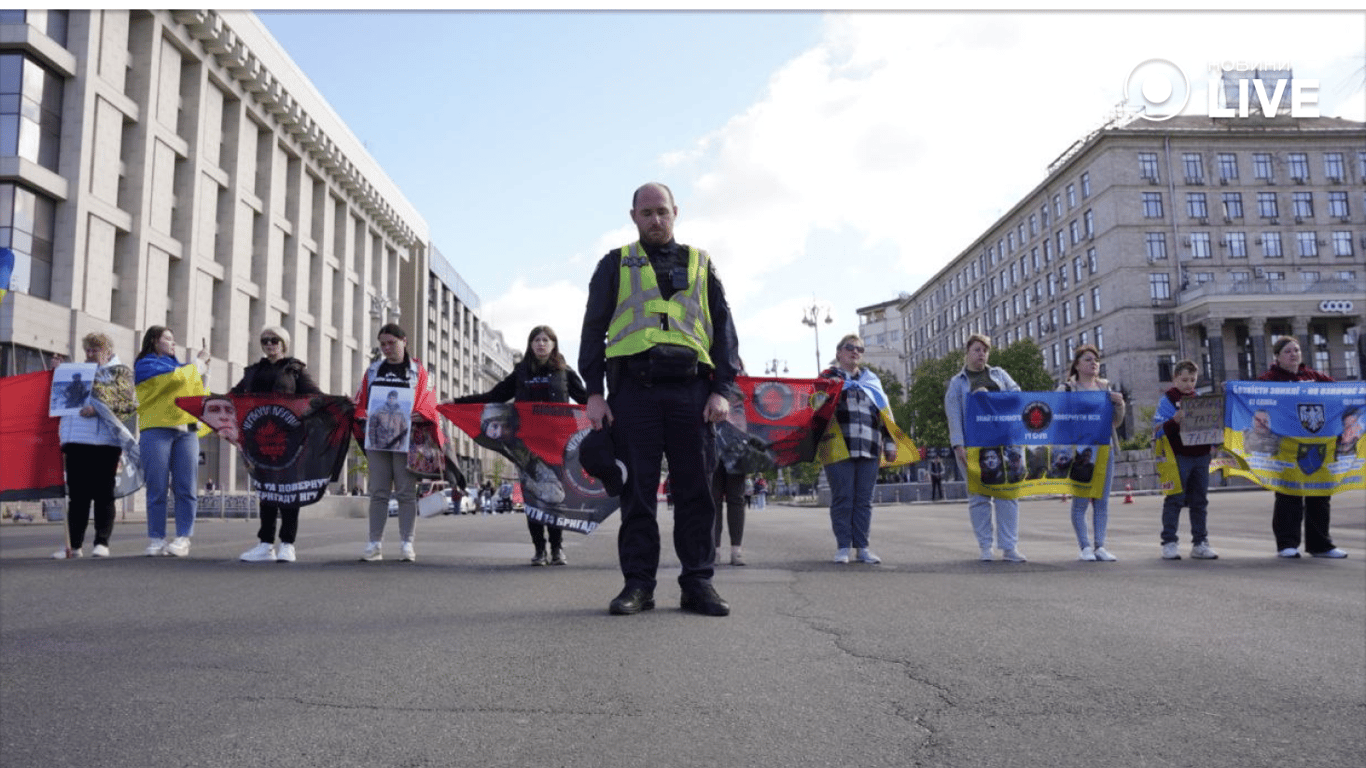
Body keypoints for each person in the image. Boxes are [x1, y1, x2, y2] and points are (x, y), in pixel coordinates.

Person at [579, 182, 740, 617]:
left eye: (662, 211)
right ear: (633, 215)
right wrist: (594, 393)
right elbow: (593, 330)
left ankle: (698, 584)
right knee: (637, 494)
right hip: (634, 393)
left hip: (692, 392)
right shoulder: (614, 265)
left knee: (696, 494)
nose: (655, 220)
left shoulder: (702, 264)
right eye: (647, 212)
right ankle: (638, 585)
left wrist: (723, 390)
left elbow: (723, 331)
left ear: (676, 213)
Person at [448, 325, 587, 566]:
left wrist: (610, 407)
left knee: (555, 497)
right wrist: (457, 402)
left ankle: (556, 548)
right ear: (530, 345)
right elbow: (495, 396)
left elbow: (586, 399)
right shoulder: (521, 371)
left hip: (556, 444)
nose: (541, 344)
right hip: (527, 446)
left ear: (553, 345)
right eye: (536, 340)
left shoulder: (564, 372)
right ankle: (539, 549)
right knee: (533, 496)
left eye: (545, 340)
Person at [233, 326, 322, 563]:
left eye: (274, 340)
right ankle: (265, 544)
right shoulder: (253, 371)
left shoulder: (295, 370)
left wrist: (340, 405)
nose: (269, 344)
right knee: (266, 490)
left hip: (289, 441)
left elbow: (315, 397)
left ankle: (288, 543)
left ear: (284, 344)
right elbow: (234, 397)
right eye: (265, 341)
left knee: (289, 490)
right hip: (259, 439)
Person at [353, 323, 441, 563]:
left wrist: (421, 412)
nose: (387, 348)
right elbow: (361, 400)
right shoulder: (373, 371)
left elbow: (429, 399)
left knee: (405, 492)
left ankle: (406, 543)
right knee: (378, 492)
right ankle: (374, 544)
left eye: (391, 342)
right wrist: (362, 414)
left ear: (404, 341)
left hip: (407, 439)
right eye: (382, 344)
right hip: (378, 438)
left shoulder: (419, 371)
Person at [1257, 336, 1347, 559]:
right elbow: (1252, 397)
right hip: (1286, 447)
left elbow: (1340, 393)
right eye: (1287, 351)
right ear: (1277, 357)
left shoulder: (1314, 377)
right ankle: (1287, 544)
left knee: (1320, 494)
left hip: (1317, 446)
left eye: (1296, 350)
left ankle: (1320, 545)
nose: (1293, 354)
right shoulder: (1269, 379)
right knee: (1289, 494)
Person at [52, 333, 137, 559]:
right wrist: (57, 373)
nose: (90, 355)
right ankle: (74, 546)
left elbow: (128, 403)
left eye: (95, 350)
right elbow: (61, 398)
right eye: (87, 350)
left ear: (107, 351)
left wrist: (97, 409)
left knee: (103, 493)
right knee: (78, 496)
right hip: (76, 440)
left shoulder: (120, 372)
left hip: (105, 442)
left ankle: (102, 542)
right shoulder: (76, 370)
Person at [818, 334, 899, 565]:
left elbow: (884, 414)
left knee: (864, 500)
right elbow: (813, 409)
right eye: (850, 347)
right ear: (839, 352)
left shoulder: (871, 380)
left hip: (869, 446)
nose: (855, 352)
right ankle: (843, 546)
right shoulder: (827, 379)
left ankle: (862, 547)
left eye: (860, 349)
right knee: (843, 497)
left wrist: (890, 443)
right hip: (837, 446)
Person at [945, 334, 1026, 562]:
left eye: (985, 350)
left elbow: (1018, 398)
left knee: (1008, 494)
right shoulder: (957, 382)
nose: (981, 354)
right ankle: (985, 546)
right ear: (967, 352)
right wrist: (958, 444)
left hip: (1005, 444)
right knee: (979, 497)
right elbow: (953, 415)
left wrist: (992, 396)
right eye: (977, 349)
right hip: (974, 446)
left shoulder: (999, 375)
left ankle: (1009, 547)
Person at [134, 326, 210, 557]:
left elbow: (199, 394)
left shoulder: (182, 367)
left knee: (186, 487)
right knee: (156, 487)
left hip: (186, 431)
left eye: (173, 339)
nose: (173, 343)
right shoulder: (146, 365)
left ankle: (183, 537)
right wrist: (198, 362)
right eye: (167, 338)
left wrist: (203, 370)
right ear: (154, 341)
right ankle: (156, 538)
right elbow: (176, 380)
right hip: (157, 429)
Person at [1057, 344, 1126, 562]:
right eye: (1088, 359)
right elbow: (1057, 418)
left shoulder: (1105, 388)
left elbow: (1115, 422)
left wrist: (1120, 404)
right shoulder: (1067, 390)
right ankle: (1084, 546)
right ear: (1077, 365)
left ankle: (1100, 546)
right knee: (1080, 501)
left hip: (1104, 450)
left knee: (1101, 500)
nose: (1093, 363)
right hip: (1080, 453)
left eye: (1096, 360)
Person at [1153, 359, 1218, 561]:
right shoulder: (1167, 400)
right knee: (1175, 499)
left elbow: (1211, 425)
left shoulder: (1200, 399)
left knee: (1200, 501)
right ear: (1175, 379)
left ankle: (1200, 543)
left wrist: (1215, 441)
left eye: (1193, 379)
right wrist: (1174, 420)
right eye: (1184, 380)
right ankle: (1169, 542)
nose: (1189, 384)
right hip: (1178, 456)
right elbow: (1158, 431)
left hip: (1201, 455)